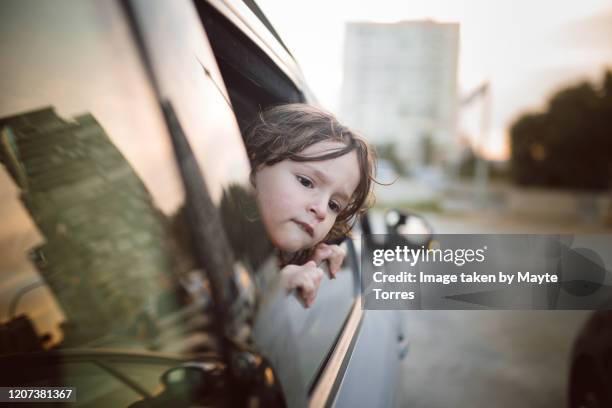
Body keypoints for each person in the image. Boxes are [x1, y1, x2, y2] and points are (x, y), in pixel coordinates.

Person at [244, 103, 375, 307]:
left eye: (334, 205)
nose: (322, 210)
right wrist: (276, 288)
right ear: (253, 165)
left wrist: (308, 262)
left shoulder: (290, 258)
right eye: (306, 182)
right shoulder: (202, 243)